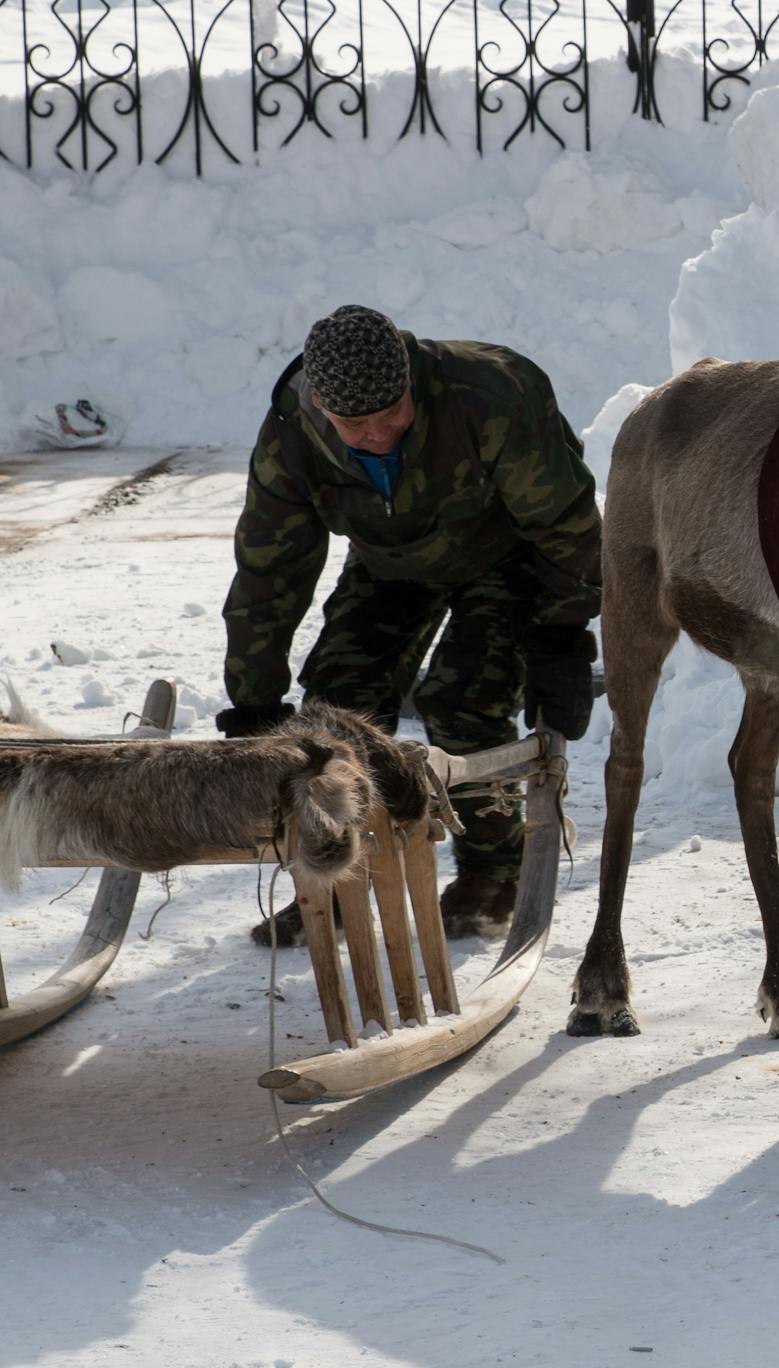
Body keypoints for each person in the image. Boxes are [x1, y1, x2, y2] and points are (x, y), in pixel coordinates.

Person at [218, 305, 600, 944]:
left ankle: (492, 873)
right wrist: (253, 695)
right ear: (319, 405)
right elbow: (269, 566)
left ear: (411, 385)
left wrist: (561, 634)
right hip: (388, 561)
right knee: (333, 712)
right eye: (355, 425)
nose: (378, 435)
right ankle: (339, 878)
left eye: (393, 413)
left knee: (464, 702)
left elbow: (565, 524)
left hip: (505, 554)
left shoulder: (489, 395)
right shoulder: (292, 433)